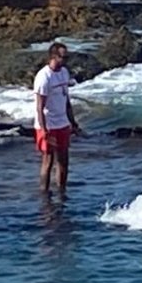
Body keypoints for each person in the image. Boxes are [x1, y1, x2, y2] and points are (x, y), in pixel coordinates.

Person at [34, 42, 80, 193]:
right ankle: (44, 193)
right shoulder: (43, 77)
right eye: (63, 57)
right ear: (54, 57)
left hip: (62, 122)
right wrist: (44, 129)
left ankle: (62, 192)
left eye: (67, 57)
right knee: (48, 160)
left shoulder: (64, 73)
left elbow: (66, 99)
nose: (66, 60)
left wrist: (72, 121)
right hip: (48, 124)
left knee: (64, 161)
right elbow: (39, 107)